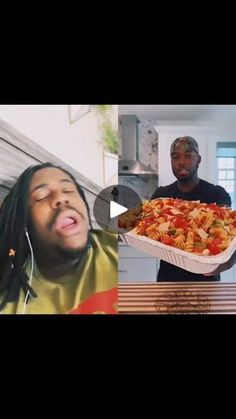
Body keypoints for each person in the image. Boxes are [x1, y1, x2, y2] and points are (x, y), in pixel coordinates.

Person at [0, 162, 118, 314]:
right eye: (41, 196)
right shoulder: (10, 306)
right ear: (24, 223)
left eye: (68, 190)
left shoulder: (118, 244)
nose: (61, 198)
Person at [151, 136, 231, 282]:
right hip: (168, 281)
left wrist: (227, 264)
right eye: (175, 157)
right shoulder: (160, 197)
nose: (181, 161)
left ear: (198, 160)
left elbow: (230, 236)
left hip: (206, 281)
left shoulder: (217, 194)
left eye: (188, 156)